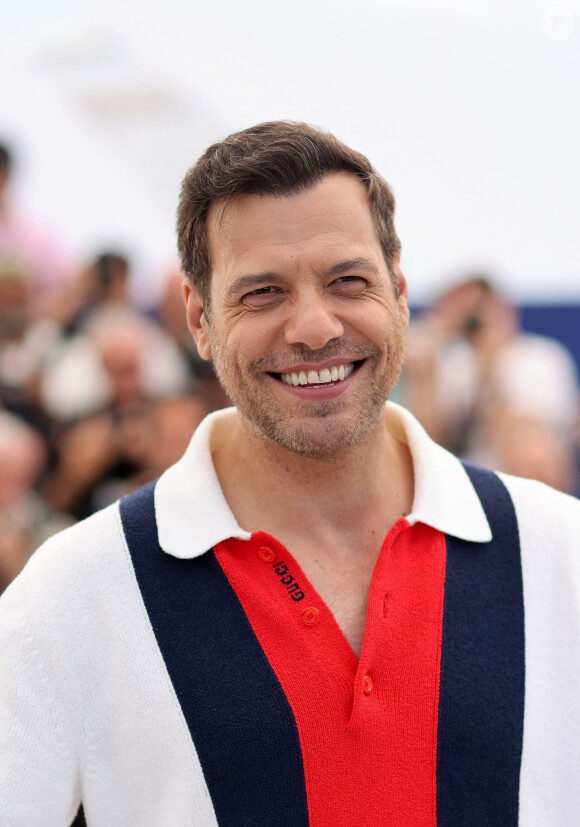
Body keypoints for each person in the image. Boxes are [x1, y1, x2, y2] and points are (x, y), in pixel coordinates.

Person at [1, 122, 579, 826]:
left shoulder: (560, 555)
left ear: (399, 291)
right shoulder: (72, 593)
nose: (312, 326)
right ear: (199, 319)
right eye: (263, 292)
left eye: (347, 281)